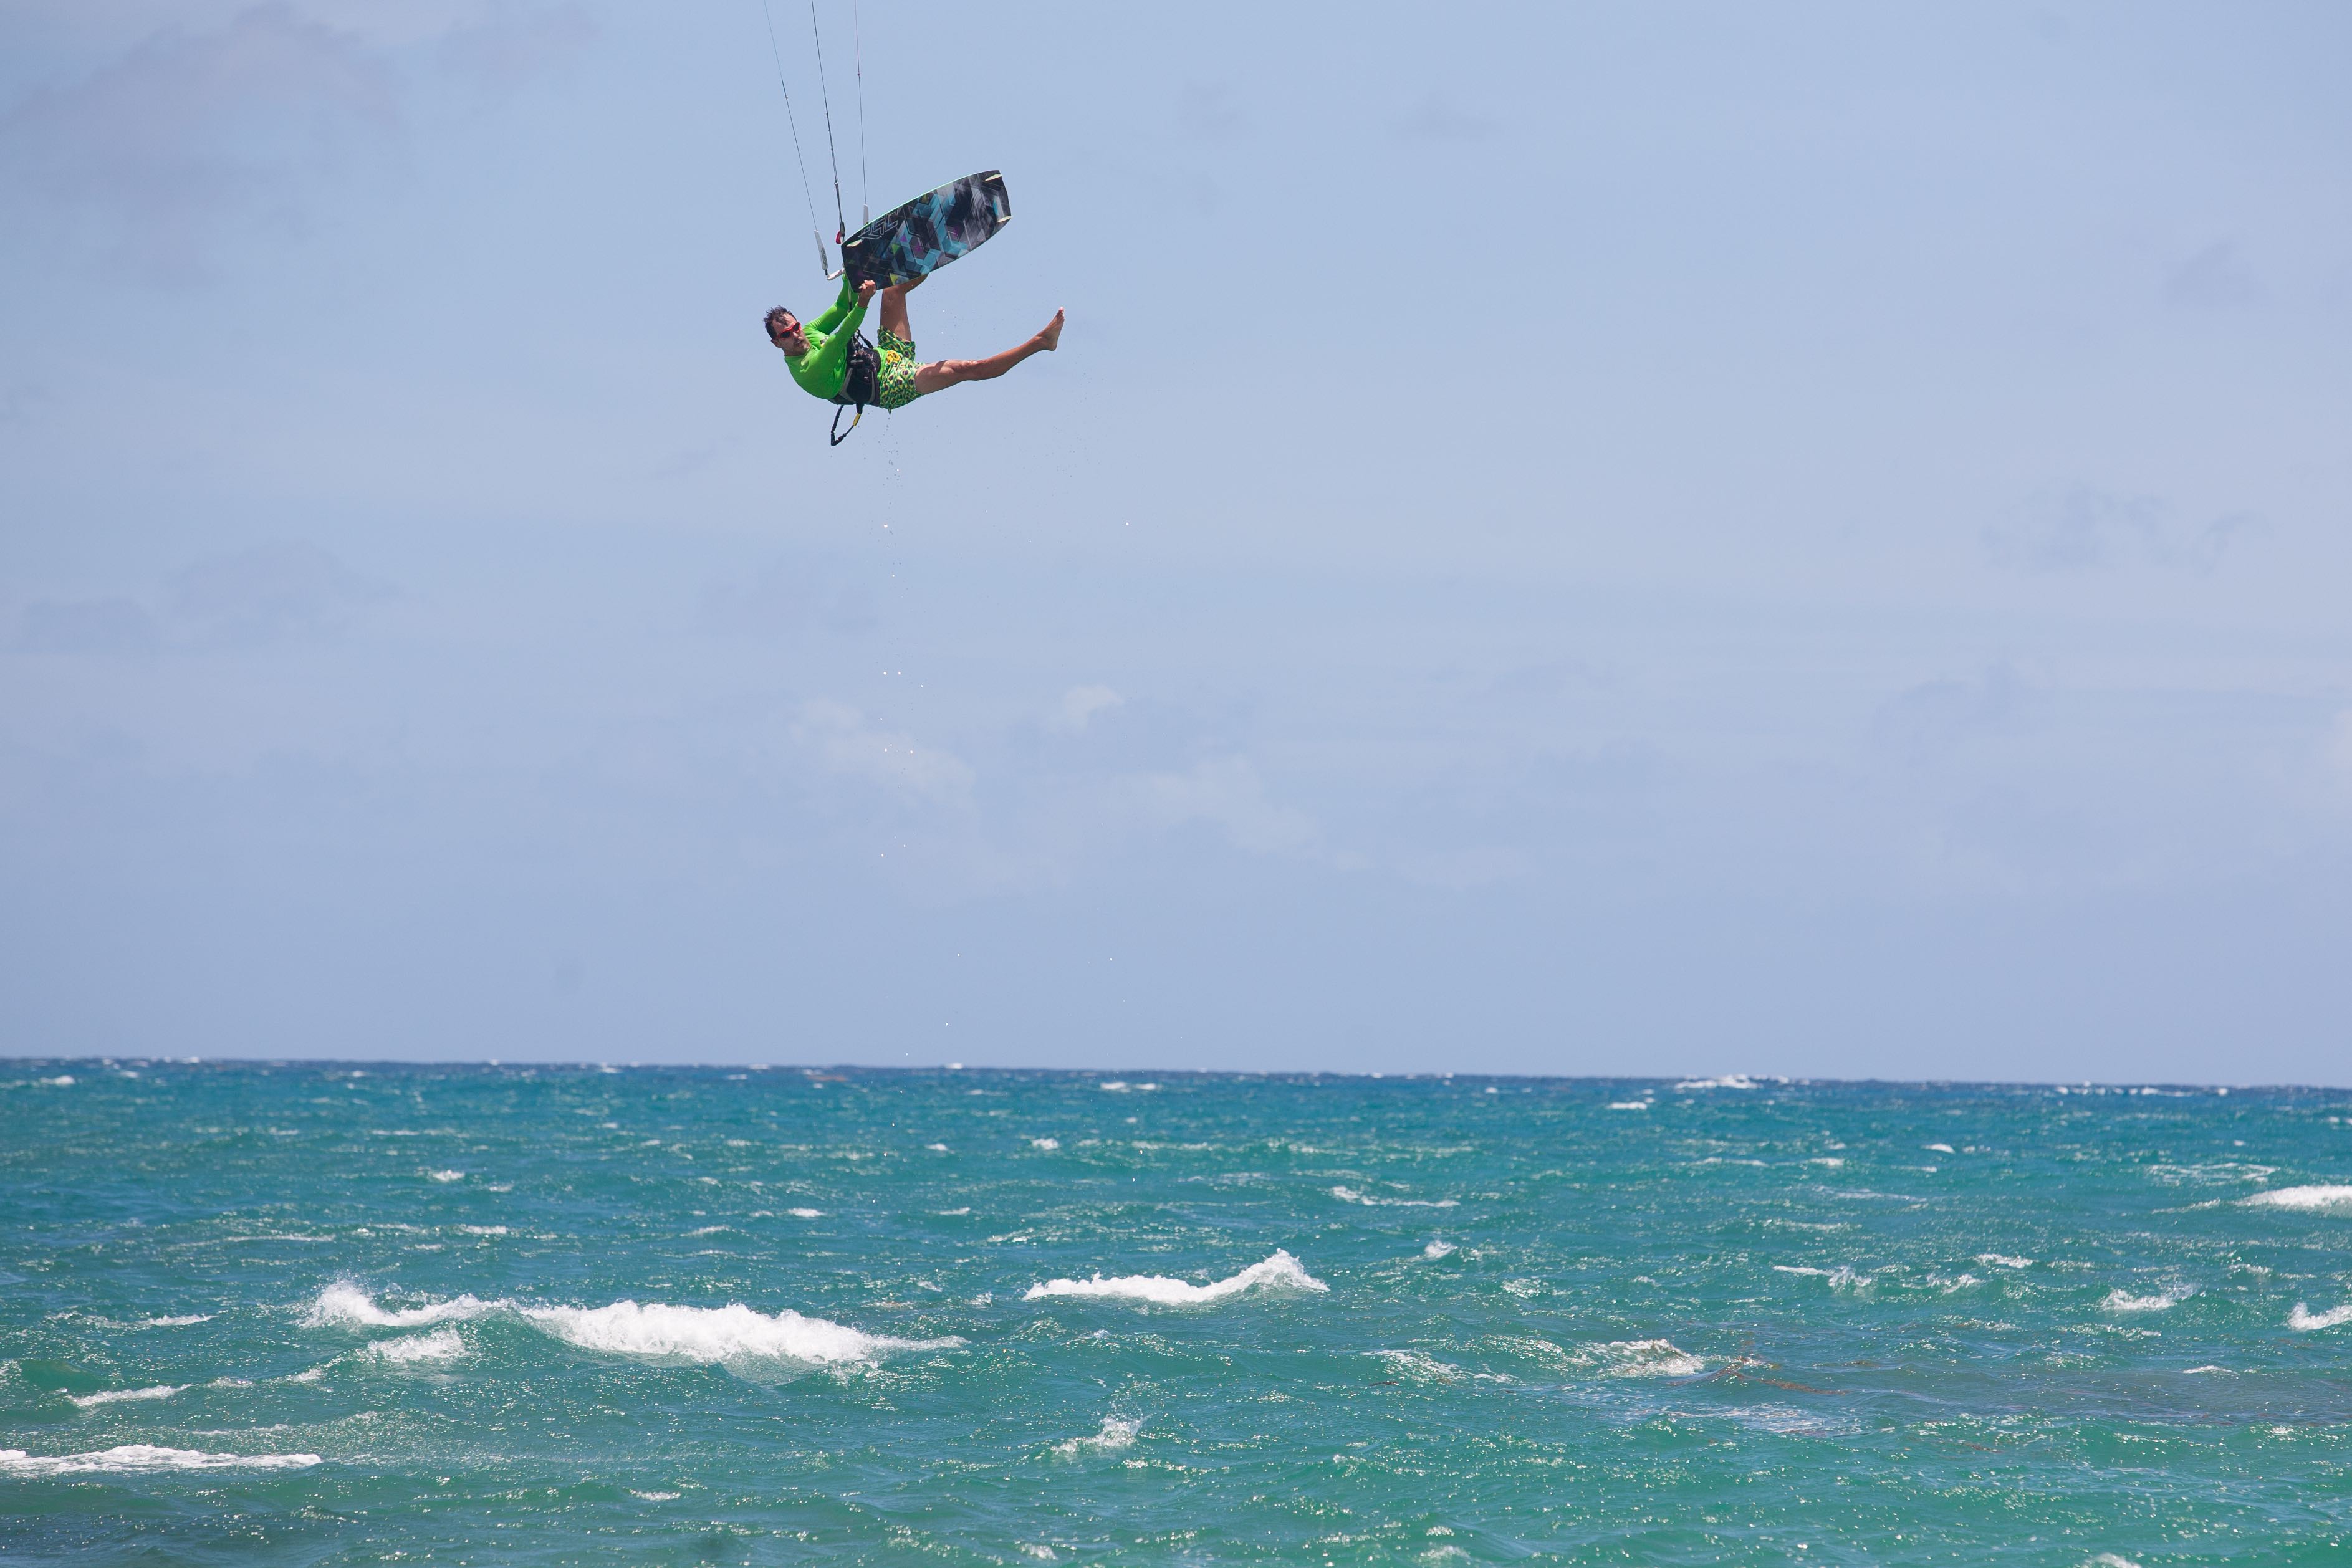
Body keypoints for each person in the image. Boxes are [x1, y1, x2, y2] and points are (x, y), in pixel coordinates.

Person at [764, 274, 1063, 413]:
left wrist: (851, 273)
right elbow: (841, 336)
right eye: (787, 335)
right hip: (891, 387)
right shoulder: (806, 371)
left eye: (795, 327)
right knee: (966, 368)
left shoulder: (809, 331)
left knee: (894, 288)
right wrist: (864, 302)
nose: (796, 334)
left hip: (888, 355)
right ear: (778, 344)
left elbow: (842, 307)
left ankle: (934, 255)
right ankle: (1041, 342)